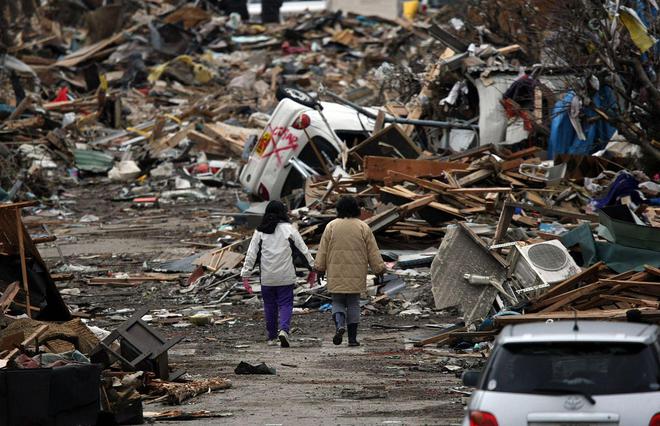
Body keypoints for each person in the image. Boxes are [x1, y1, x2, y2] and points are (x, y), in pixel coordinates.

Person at [241, 201, 315, 347]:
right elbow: (303, 250)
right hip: (285, 276)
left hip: (267, 278)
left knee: (270, 306)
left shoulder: (260, 231)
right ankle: (284, 330)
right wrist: (313, 268)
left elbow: (251, 255)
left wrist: (245, 275)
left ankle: (272, 337)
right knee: (286, 304)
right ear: (283, 212)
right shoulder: (289, 229)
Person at [314, 196, 386, 347]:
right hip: (356, 272)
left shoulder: (331, 226)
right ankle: (352, 339)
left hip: (336, 271)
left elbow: (322, 251)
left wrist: (320, 269)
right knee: (353, 303)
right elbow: (373, 251)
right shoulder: (363, 227)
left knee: (337, 301)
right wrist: (379, 270)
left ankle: (340, 325)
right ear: (356, 209)